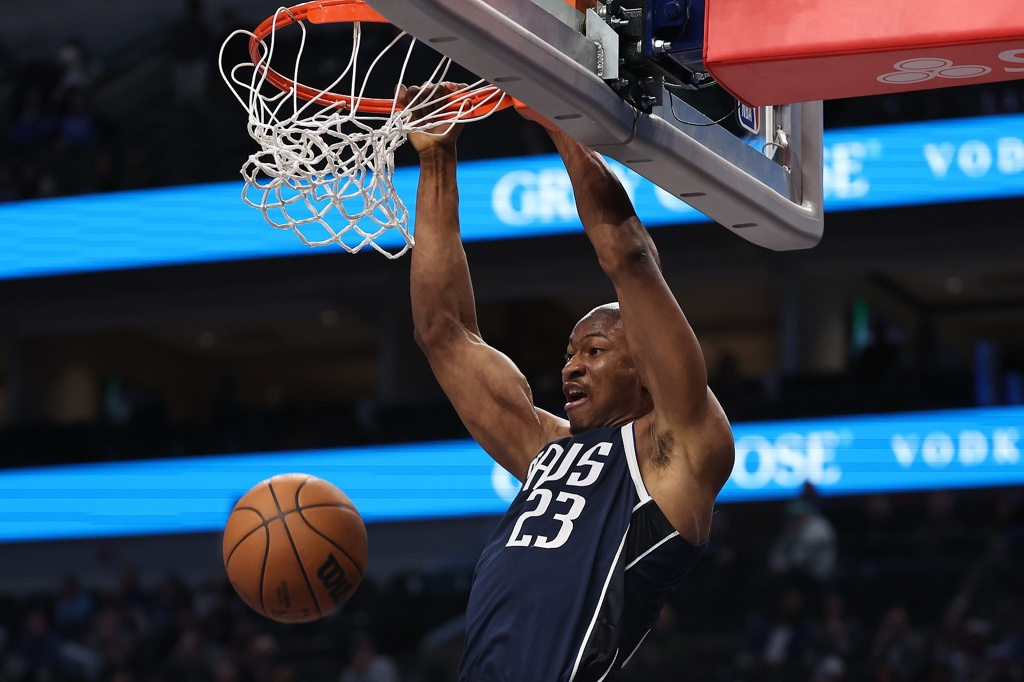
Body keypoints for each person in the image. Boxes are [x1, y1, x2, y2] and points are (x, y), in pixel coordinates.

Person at [399, 83, 735, 682]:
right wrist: (436, 160)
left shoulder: (678, 448)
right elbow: (443, 332)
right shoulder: (546, 451)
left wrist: (558, 111)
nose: (570, 367)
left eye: (595, 350)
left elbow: (629, 257)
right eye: (569, 353)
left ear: (647, 373)